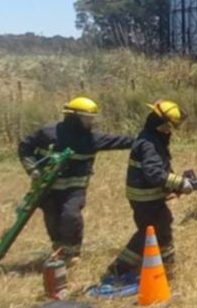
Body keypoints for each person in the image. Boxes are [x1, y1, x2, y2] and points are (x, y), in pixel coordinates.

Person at [18, 97, 133, 262]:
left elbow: (121, 141)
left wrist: (145, 139)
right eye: (88, 118)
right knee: (52, 216)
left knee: (70, 215)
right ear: (74, 117)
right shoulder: (47, 132)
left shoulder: (93, 138)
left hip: (74, 188)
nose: (91, 122)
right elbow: (25, 146)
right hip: (47, 187)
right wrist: (32, 169)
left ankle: (72, 252)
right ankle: (58, 248)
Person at [102, 100, 194, 282]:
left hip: (149, 197)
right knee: (148, 233)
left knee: (163, 226)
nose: (170, 131)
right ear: (161, 124)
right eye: (170, 126)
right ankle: (118, 269)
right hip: (145, 199)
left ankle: (166, 264)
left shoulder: (151, 138)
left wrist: (174, 186)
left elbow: (161, 169)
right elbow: (153, 173)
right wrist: (180, 182)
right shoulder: (149, 143)